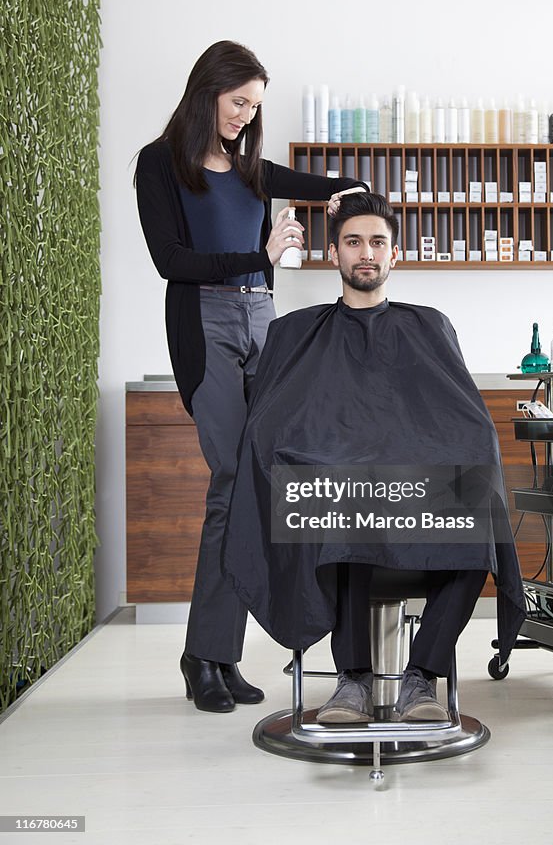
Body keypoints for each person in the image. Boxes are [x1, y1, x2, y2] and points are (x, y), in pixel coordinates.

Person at [222, 191, 525, 723]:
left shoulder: (428, 326)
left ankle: (420, 678)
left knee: (478, 518)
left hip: (422, 501)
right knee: (352, 504)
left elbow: (466, 424)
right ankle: (353, 681)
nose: (366, 253)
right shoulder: (296, 334)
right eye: (354, 241)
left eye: (377, 242)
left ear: (395, 254)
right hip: (339, 508)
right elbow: (268, 429)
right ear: (333, 252)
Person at [135, 40, 364, 713]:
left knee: (258, 485)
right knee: (231, 480)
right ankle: (205, 654)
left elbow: (314, 187)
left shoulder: (250, 170)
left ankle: (214, 654)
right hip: (204, 326)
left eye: (253, 106)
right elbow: (170, 259)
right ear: (207, 91)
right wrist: (256, 253)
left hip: (263, 322)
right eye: (238, 102)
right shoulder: (160, 163)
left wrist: (353, 192)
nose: (243, 115)